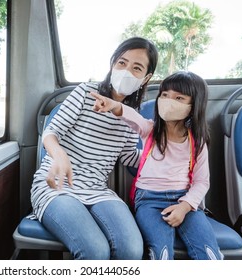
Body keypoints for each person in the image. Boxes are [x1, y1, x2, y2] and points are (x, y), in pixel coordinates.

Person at [29, 37, 158, 260]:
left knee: (132, 250)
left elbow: (129, 157)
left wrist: (163, 156)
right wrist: (59, 155)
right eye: (122, 63)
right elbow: (51, 134)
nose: (126, 71)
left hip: (97, 190)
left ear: (146, 78)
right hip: (57, 187)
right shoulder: (85, 92)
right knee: (95, 251)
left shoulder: (131, 114)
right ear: (112, 64)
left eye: (136, 68)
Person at [91, 71, 223, 260]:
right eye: (164, 95)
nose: (169, 101)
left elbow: (202, 182)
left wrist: (185, 207)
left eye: (179, 97)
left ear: (193, 105)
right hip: (149, 202)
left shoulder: (198, 142)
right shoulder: (150, 130)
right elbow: (130, 116)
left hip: (184, 200)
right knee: (160, 253)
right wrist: (113, 105)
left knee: (209, 253)